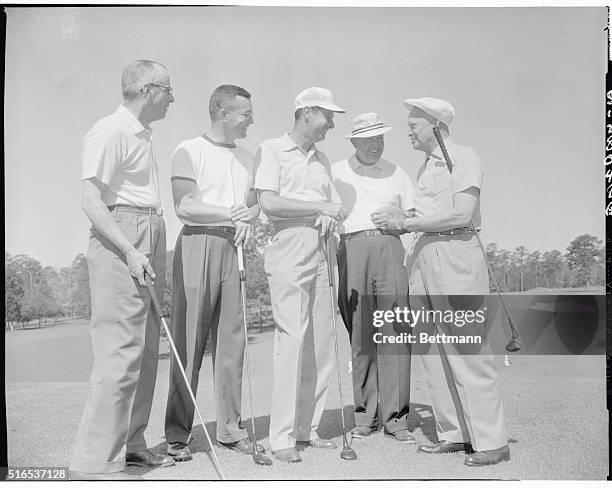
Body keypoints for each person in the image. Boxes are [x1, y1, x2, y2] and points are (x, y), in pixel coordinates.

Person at [371, 97, 510, 466]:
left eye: (414, 125)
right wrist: (403, 215)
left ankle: (492, 440)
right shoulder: (425, 169)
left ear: (435, 124)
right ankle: (456, 433)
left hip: (455, 253)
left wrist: (407, 222)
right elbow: (428, 212)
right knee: (433, 353)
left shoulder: (464, 157)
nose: (408, 132)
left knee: (467, 348)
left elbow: (463, 212)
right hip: (423, 258)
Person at [69, 60, 175, 480]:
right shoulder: (110, 130)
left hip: (149, 228)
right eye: (168, 90)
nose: (171, 98)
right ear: (148, 89)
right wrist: (131, 249)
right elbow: (90, 200)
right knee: (119, 353)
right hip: (122, 236)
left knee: (146, 349)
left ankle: (131, 445)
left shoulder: (142, 135)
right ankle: (95, 464)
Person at [164, 85, 262, 462]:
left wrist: (247, 216)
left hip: (233, 248)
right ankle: (177, 433)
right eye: (245, 113)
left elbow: (254, 206)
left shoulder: (248, 156)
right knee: (188, 343)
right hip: (197, 245)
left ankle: (230, 429)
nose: (251, 120)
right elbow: (185, 206)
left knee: (232, 344)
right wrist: (231, 213)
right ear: (223, 113)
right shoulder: (189, 149)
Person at [254, 86, 347, 463]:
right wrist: (319, 208)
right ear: (306, 112)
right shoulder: (272, 149)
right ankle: (281, 437)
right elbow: (269, 202)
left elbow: (335, 204)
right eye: (328, 115)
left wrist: (327, 211)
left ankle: (307, 429)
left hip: (324, 247)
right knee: (292, 339)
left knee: (321, 341)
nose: (332, 123)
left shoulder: (322, 159)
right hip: (289, 245)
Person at [332, 113, 415, 443]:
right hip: (351, 248)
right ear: (353, 142)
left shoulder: (397, 173)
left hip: (389, 248)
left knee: (395, 333)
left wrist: (399, 217)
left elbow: (415, 214)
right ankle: (366, 415)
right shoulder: (335, 171)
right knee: (361, 335)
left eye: (380, 138)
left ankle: (396, 418)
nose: (376, 145)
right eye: (368, 140)